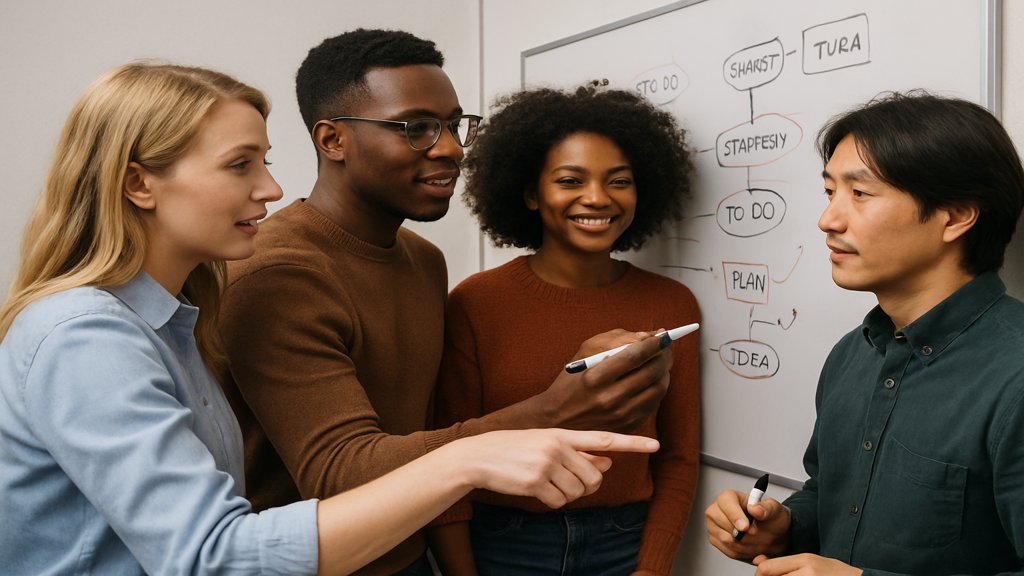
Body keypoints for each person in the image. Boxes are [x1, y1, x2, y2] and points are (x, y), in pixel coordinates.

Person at [0, 62, 664, 576]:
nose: (268, 188)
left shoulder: (181, 321)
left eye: (264, 160)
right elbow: (215, 557)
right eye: (239, 165)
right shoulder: (85, 335)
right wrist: (468, 460)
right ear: (139, 183)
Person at [217, 29, 674, 575]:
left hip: (408, 556)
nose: (451, 147)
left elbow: (420, 432)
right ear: (333, 140)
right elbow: (340, 470)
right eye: (416, 128)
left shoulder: (422, 259)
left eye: (454, 125)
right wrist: (553, 410)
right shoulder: (278, 271)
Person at [705, 91, 1024, 576]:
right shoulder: (854, 353)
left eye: (860, 192)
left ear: (956, 216)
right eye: (830, 192)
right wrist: (787, 526)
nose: (828, 220)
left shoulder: (1015, 375)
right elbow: (831, 494)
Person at [427, 86, 701, 576]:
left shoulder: (671, 304)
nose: (597, 198)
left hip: (625, 544)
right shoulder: (476, 303)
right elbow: (450, 456)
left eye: (619, 181)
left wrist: (653, 568)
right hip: (504, 545)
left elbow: (678, 456)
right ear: (531, 193)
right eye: (571, 180)